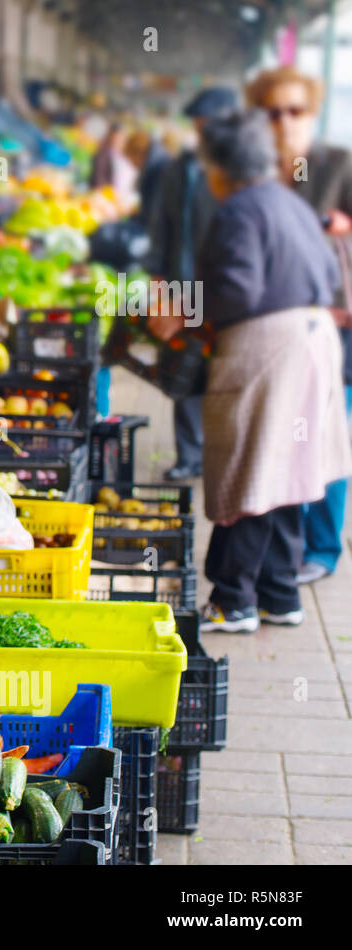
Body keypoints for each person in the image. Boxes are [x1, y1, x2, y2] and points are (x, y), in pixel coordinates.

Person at [149, 110, 350, 633]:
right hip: (313, 340)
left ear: (218, 167)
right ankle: (279, 594)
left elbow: (238, 289)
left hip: (268, 346)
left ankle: (233, 598)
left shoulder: (239, 209)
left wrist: (185, 313)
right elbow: (330, 275)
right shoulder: (291, 203)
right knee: (286, 468)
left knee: (248, 465)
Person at [247, 66, 352, 585]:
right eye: (272, 111)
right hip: (268, 327)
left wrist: (344, 225)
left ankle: (323, 548)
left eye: (295, 110)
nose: (284, 121)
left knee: (326, 436)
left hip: (332, 325)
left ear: (312, 113)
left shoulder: (338, 164)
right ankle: (277, 555)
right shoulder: (255, 170)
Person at [145, 87, 240, 482]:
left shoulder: (237, 171)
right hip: (182, 288)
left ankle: (222, 457)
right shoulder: (177, 168)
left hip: (220, 288)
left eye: (208, 127)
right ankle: (189, 455)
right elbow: (161, 226)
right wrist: (158, 281)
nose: (201, 135)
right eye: (198, 128)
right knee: (183, 370)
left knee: (222, 374)